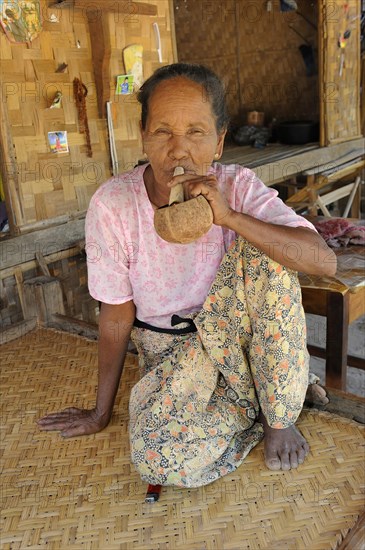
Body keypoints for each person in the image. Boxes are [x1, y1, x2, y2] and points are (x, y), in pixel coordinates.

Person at [38, 63, 337, 488]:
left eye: (195, 132)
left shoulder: (238, 187)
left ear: (218, 142)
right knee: (156, 456)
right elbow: (116, 313)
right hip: (175, 356)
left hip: (241, 335)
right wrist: (101, 410)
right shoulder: (113, 205)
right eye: (163, 131)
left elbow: (322, 261)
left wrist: (230, 217)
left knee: (272, 252)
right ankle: (269, 393)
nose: (178, 150)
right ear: (144, 136)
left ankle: (280, 417)